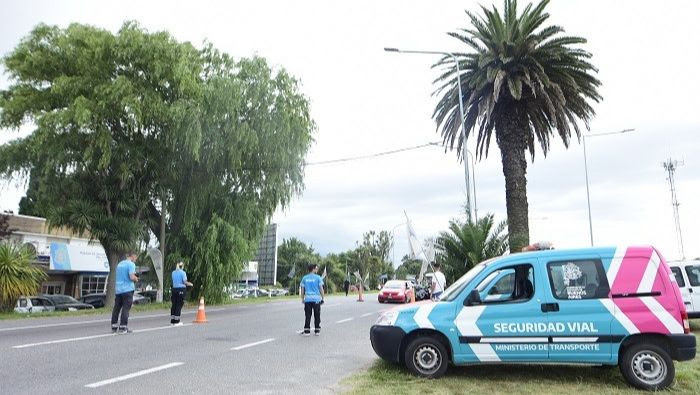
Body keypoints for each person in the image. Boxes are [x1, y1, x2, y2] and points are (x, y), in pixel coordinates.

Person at [111, 251, 139, 333]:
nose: (135, 259)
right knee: (126, 308)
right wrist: (136, 279)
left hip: (118, 290)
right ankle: (123, 327)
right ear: (133, 256)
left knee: (116, 308)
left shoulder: (120, 264)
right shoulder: (131, 264)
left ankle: (114, 326)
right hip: (127, 289)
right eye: (136, 257)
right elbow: (131, 276)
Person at [300, 263, 324, 336]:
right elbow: (321, 288)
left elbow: (302, 289)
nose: (317, 270)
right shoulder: (318, 277)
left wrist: (302, 298)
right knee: (317, 315)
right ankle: (317, 330)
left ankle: (307, 331)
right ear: (313, 269)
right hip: (316, 299)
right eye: (316, 268)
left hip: (307, 299)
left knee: (308, 315)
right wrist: (322, 298)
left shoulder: (304, 278)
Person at [170, 261, 193, 325]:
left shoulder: (173, 273)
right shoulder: (183, 273)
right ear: (182, 266)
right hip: (181, 290)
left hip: (174, 289)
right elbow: (185, 282)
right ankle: (177, 321)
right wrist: (190, 284)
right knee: (179, 305)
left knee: (174, 304)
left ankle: (173, 320)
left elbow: (174, 281)